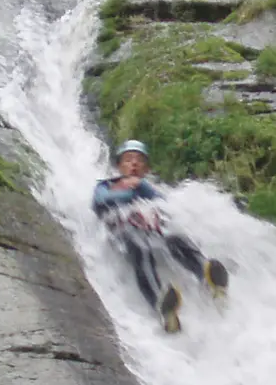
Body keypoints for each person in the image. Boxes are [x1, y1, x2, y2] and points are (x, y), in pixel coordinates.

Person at [91, 140, 229, 333]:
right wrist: (131, 191)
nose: (134, 164)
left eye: (139, 161)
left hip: (152, 232)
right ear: (119, 166)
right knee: (141, 247)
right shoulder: (107, 186)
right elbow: (100, 202)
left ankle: (207, 276)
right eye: (128, 160)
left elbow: (164, 204)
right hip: (124, 234)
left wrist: (141, 187)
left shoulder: (146, 188)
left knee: (176, 238)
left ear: (146, 169)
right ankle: (161, 305)